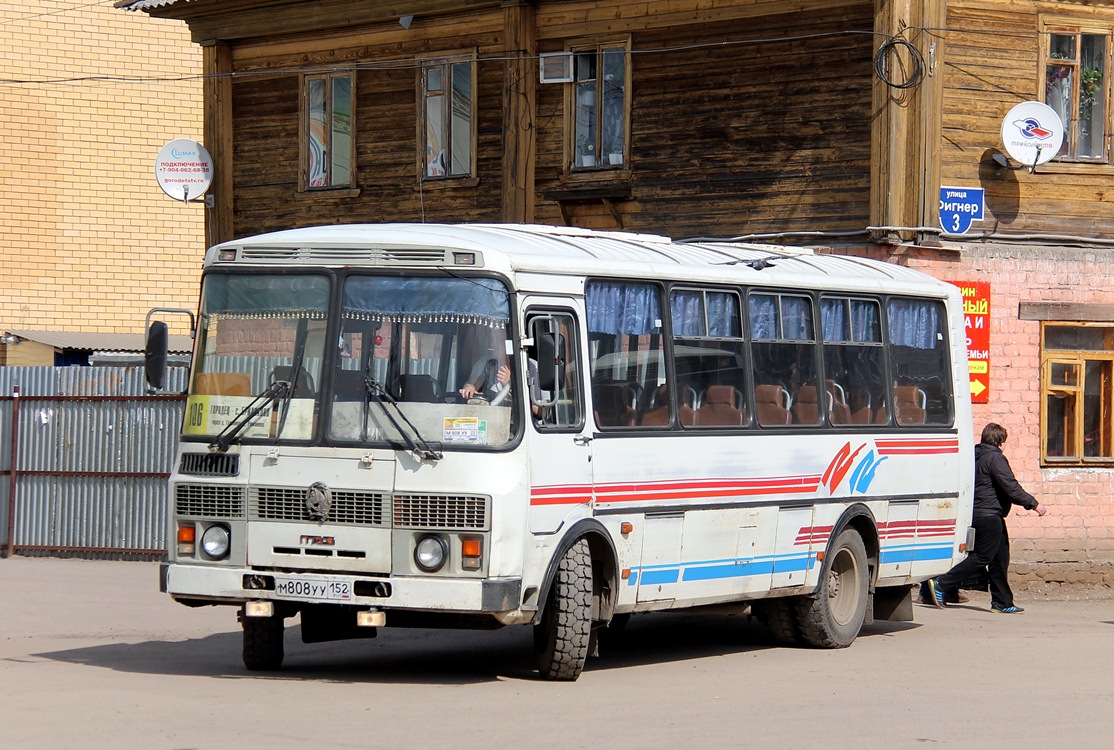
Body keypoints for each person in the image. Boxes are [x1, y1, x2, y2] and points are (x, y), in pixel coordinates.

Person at [926, 423, 1048, 613]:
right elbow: (1010, 486)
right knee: (982, 556)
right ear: (1000, 442)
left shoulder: (974, 456)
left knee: (1000, 558)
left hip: (979, 513)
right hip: (989, 515)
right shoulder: (995, 458)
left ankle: (1002, 602)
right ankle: (941, 583)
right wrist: (1033, 504)